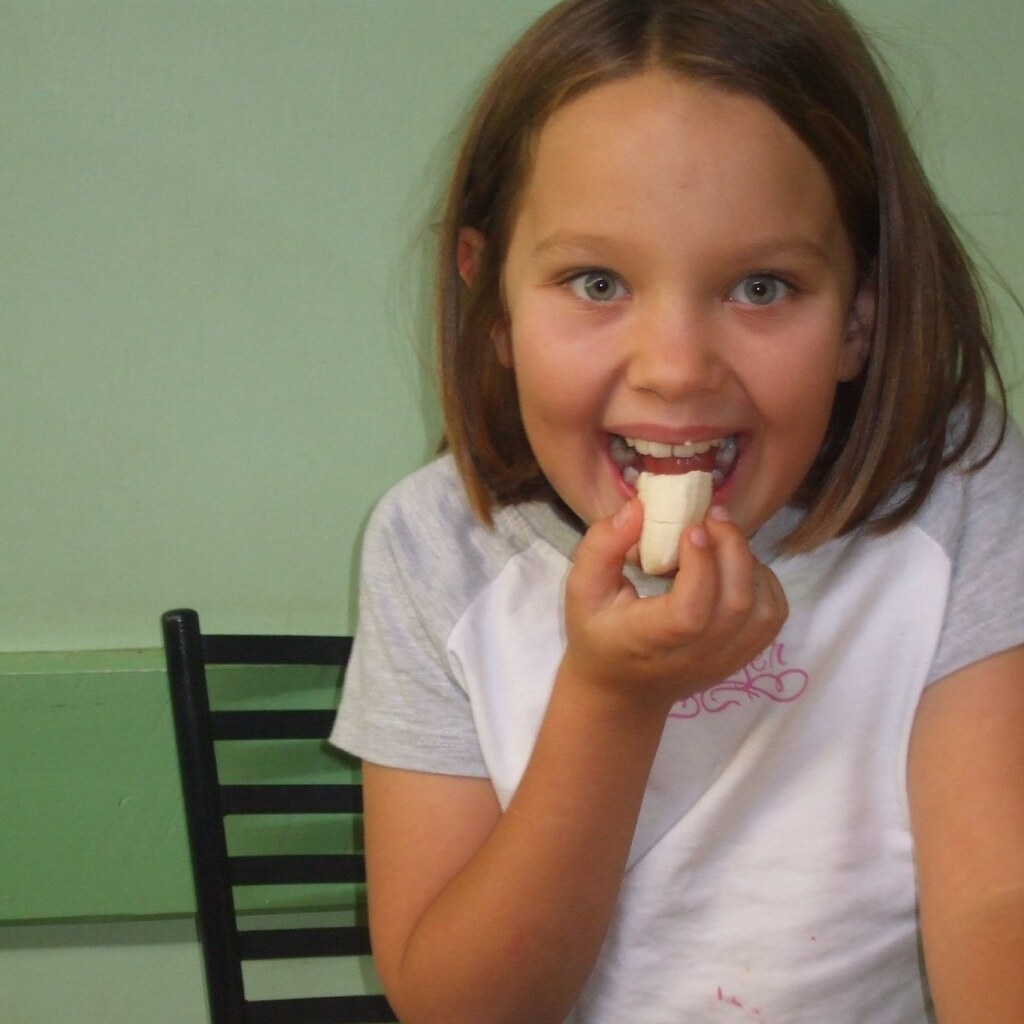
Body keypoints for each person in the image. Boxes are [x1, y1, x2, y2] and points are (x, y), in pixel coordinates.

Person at [330, 1, 1024, 1021]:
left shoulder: (957, 495)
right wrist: (612, 703)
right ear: (496, 306)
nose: (675, 369)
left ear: (858, 319)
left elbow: (994, 900)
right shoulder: (433, 546)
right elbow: (459, 1005)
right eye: (596, 280)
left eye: (761, 285)